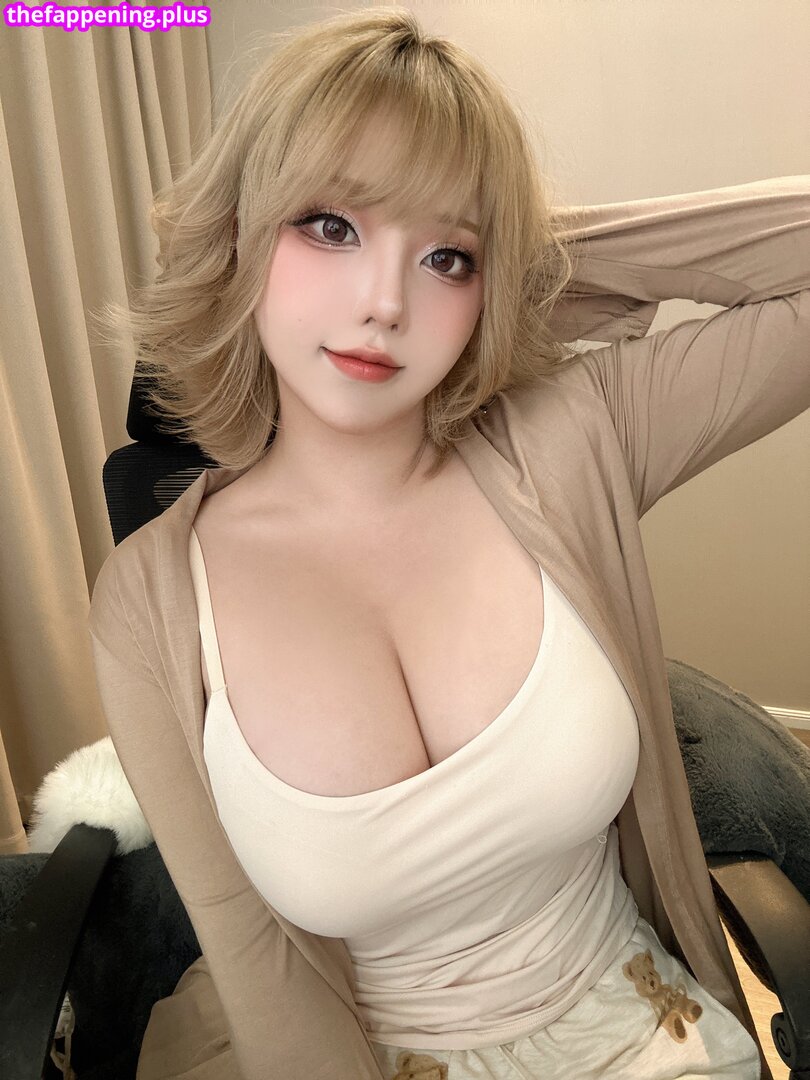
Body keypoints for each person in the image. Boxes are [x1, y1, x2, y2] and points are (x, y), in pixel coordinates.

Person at [89, 6, 810, 1079]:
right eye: (329, 226)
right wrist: (450, 237)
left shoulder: (573, 438)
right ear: (241, 233)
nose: (385, 304)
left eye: (444, 258)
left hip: (642, 1036)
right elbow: (255, 955)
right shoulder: (148, 601)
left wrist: (520, 260)